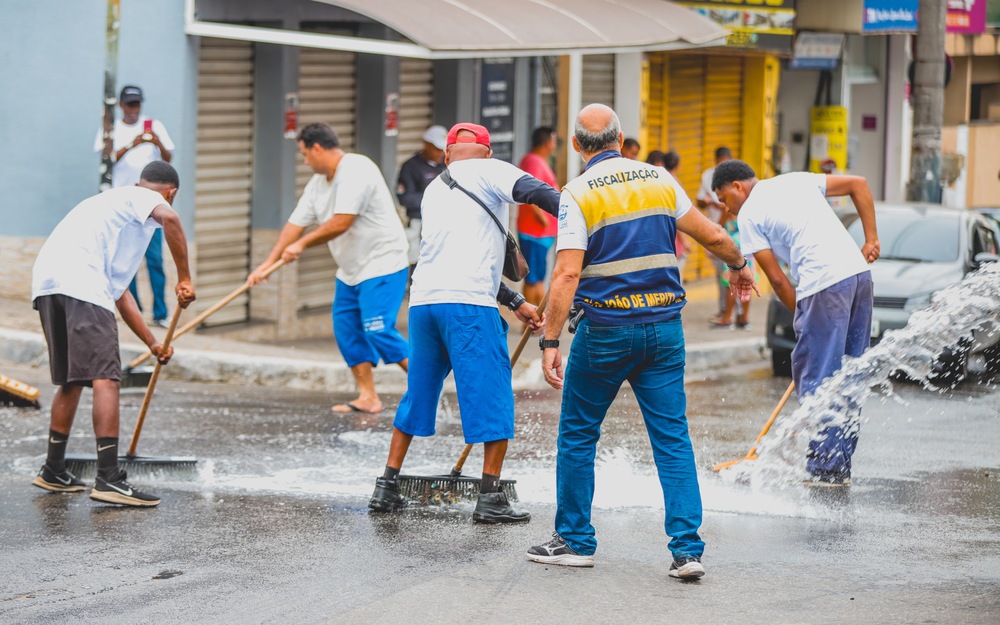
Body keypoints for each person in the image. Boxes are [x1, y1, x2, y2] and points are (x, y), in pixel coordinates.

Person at [525, 105, 757, 578]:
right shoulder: (658, 179)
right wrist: (739, 265)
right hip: (664, 331)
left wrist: (550, 340)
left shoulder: (577, 193)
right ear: (620, 138)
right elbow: (713, 234)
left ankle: (574, 539)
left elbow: (568, 272)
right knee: (672, 439)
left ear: (576, 146)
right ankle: (687, 551)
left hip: (606, 332)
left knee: (578, 434)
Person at [367, 123, 561, 524]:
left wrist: (514, 300)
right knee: (491, 398)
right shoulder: (493, 170)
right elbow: (541, 194)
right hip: (469, 308)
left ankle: (386, 487)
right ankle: (490, 498)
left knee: (418, 394)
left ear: (448, 153)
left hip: (424, 305)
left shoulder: (437, 188)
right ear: (487, 153)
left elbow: (454, 257)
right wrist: (585, 223)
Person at [31, 161, 195, 507]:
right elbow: (173, 221)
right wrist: (184, 278)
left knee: (73, 380)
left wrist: (152, 343)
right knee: (107, 377)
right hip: (81, 283)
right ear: (171, 193)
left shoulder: (113, 211)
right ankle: (109, 478)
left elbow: (119, 292)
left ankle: (53, 469)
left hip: (48, 283)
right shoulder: (142, 199)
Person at [711, 160, 879, 485]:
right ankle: (838, 466)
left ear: (737, 187)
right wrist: (871, 239)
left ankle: (824, 469)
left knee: (816, 375)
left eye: (723, 198)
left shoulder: (748, 215)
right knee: (849, 373)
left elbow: (775, 279)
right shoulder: (796, 180)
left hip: (824, 283)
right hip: (859, 277)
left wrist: (802, 316)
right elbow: (859, 183)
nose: (726, 208)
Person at [247, 123, 409, 415]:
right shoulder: (317, 185)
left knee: (377, 329)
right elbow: (294, 225)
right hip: (350, 270)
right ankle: (368, 397)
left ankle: (427, 382)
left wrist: (302, 246)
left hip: (383, 262)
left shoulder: (357, 169)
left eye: (305, 154)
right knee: (347, 330)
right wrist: (267, 265)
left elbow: (341, 221)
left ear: (317, 148)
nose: (305, 161)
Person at [95, 85, 176, 328]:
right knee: (125, 261)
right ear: (121, 105)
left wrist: (156, 141)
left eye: (137, 104)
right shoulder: (112, 129)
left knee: (155, 259)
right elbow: (106, 160)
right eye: (130, 104)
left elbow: (168, 158)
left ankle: (160, 313)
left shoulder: (154, 125)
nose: (134, 109)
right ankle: (134, 312)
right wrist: (133, 143)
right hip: (123, 205)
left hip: (151, 204)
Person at [516, 126, 560, 308]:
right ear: (547, 142)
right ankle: (535, 320)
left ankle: (534, 321)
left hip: (541, 233)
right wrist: (541, 217)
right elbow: (529, 192)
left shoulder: (539, 160)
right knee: (535, 278)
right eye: (554, 140)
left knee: (537, 276)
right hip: (535, 232)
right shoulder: (533, 161)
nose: (555, 144)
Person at [396, 125, 447, 272]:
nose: (440, 154)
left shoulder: (447, 164)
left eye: (443, 150)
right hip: (419, 223)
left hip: (444, 223)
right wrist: (435, 200)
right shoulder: (410, 167)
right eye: (437, 149)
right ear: (426, 144)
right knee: (418, 265)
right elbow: (405, 198)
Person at [696, 146, 733, 317]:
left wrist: (718, 228)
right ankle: (725, 310)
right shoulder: (708, 176)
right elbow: (700, 201)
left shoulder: (736, 177)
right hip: (716, 229)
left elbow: (728, 208)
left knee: (733, 272)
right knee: (721, 273)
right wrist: (710, 203)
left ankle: (734, 313)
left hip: (732, 232)